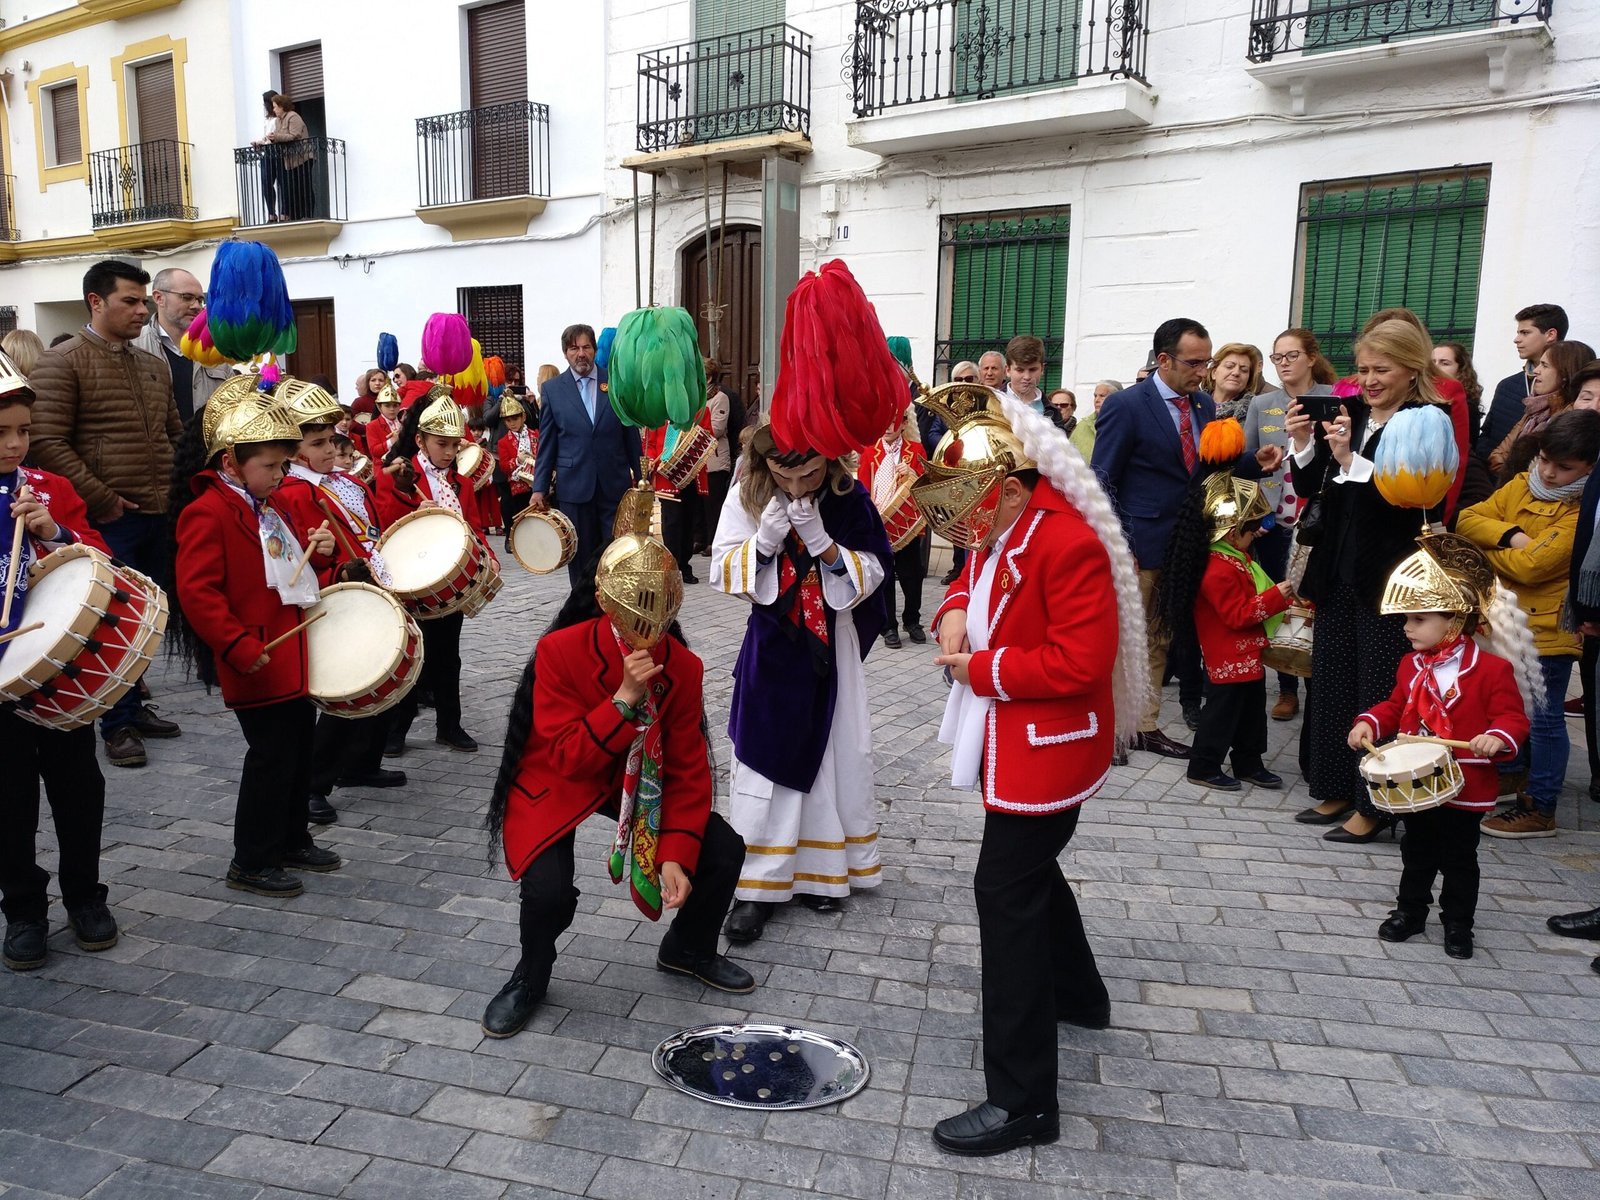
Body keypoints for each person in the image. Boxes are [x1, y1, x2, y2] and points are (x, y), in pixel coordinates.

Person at [915, 387, 1148, 1157]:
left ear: (1012, 487)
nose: (966, 523)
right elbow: (971, 573)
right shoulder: (1010, 518)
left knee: (1004, 891)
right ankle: (1081, 996)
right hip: (1017, 743)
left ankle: (1023, 1102)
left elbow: (1082, 663)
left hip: (1046, 748)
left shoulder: (1067, 542)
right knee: (1031, 873)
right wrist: (951, 610)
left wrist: (980, 667)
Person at [480, 513, 754, 1039]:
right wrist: (623, 702)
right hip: (563, 773)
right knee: (549, 892)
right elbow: (564, 759)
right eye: (634, 617)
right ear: (605, 603)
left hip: (638, 778)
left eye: (660, 616)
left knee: (720, 850)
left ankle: (689, 948)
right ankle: (530, 976)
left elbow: (689, 767)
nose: (648, 634)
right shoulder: (560, 650)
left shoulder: (685, 665)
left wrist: (675, 851)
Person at [711, 425, 893, 944]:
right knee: (764, 757)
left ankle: (820, 868)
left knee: (832, 755)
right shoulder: (746, 491)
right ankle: (756, 886)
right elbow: (723, 570)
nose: (796, 488)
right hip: (772, 644)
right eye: (784, 475)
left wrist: (825, 546)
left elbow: (876, 571)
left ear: (829, 462)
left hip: (831, 646)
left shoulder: (848, 497)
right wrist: (764, 541)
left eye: (809, 473)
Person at [1286, 319, 1453, 842]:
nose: (1370, 379)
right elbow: (1320, 488)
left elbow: (1413, 498)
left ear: (1412, 368)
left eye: (1382, 369)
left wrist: (1350, 462)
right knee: (1333, 683)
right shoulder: (1352, 412)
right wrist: (1303, 446)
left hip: (1390, 573)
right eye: (1363, 369)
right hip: (1338, 567)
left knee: (1379, 688)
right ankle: (1335, 785)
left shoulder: (1429, 419)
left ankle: (1375, 805)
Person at [169, 394, 340, 897]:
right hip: (256, 658)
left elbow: (293, 574)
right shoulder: (206, 512)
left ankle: (291, 838)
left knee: (298, 748)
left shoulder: (271, 504)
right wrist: (237, 646)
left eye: (283, 464)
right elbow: (197, 593)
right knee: (270, 755)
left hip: (291, 651)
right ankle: (251, 858)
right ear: (230, 463)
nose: (279, 474)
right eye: (268, 465)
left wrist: (324, 557)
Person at [28, 259, 184, 768]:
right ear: (96, 302)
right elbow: (47, 442)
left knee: (142, 617)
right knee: (107, 619)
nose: (143, 310)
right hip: (106, 520)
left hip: (158, 512)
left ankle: (132, 706)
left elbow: (173, 434)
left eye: (145, 301)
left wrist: (177, 489)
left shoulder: (153, 365)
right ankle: (115, 726)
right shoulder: (63, 361)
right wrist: (102, 498)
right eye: (130, 301)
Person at [1349, 536, 1535, 959]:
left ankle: (1458, 924)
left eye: (1418, 618)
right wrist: (1368, 721)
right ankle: (1409, 912)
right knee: (1415, 853)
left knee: (1459, 860)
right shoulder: (1410, 664)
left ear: (1453, 621)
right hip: (1417, 787)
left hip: (1466, 786)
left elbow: (1513, 719)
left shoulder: (1491, 669)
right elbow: (1396, 707)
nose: (1406, 627)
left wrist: (1497, 737)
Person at [0, 353, 120, 971]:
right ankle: (22, 907)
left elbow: (100, 560)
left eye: (23, 430)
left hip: (58, 674)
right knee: (8, 802)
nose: (16, 443)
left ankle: (85, 895)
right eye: (2, 433)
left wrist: (55, 533)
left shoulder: (53, 488)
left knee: (78, 789)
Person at [1458, 410, 1599, 837]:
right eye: (1544, 460)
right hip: (1501, 622)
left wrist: (1484, 551)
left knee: (1544, 717)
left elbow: (1533, 568)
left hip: (1548, 632)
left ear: (1591, 467)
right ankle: (1514, 773)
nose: (1550, 473)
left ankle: (1541, 806)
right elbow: (1466, 519)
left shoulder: (1583, 510)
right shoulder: (1522, 483)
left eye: (1565, 467)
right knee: (1507, 707)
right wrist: (1512, 534)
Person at [275, 378, 405, 826]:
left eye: (332, 440)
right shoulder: (293, 492)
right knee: (348, 687)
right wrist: (338, 572)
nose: (331, 449)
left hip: (369, 579)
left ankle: (362, 762)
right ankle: (315, 781)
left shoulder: (339, 481)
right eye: (318, 443)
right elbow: (300, 552)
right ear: (293, 451)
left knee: (377, 671)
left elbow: (371, 523)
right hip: (337, 591)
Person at [1092, 319, 1221, 759]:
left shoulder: (1203, 405)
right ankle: (1108, 731)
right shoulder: (1126, 406)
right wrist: (1115, 543)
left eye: (1207, 362)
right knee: (1124, 641)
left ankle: (1144, 725)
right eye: (1194, 362)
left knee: (1160, 636)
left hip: (1184, 543)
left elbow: (1207, 468)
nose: (1203, 371)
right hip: (1137, 543)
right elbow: (1103, 477)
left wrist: (1254, 463)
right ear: (1163, 360)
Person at [1154, 455, 1294, 792]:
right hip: (1227, 654)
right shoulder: (1218, 568)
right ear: (1233, 533)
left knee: (1251, 712)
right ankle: (1203, 765)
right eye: (1250, 529)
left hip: (1246, 652)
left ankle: (1249, 761)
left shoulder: (1232, 557)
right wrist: (1278, 595)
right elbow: (1237, 615)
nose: (1255, 535)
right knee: (1221, 713)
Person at [377, 394, 491, 754]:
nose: (448, 452)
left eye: (455, 445)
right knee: (414, 655)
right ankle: (396, 730)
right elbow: (384, 520)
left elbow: (474, 526)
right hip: (411, 580)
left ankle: (449, 725)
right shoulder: (400, 473)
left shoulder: (463, 482)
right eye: (441, 444)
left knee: (448, 656)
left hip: (448, 582)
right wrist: (413, 504)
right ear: (421, 439)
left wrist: (485, 554)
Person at [1244, 329, 1338, 720]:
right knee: (1277, 603)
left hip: (1317, 519)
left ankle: (1317, 684)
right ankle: (1286, 689)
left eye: (1291, 355)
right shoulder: (1263, 402)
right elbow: (1247, 462)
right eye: (1277, 356)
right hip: (1272, 522)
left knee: (1312, 603)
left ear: (1311, 357)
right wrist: (1253, 517)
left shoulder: (1335, 397)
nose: (1283, 363)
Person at [530, 324, 642, 588]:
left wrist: (641, 478)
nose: (581, 353)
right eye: (574, 348)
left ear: (594, 350)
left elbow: (631, 435)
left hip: (614, 487)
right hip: (574, 489)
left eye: (586, 347)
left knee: (617, 554)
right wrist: (539, 488)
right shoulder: (553, 390)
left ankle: (613, 611)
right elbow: (547, 444)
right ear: (566, 353)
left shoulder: (615, 383)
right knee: (580, 560)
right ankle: (582, 616)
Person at [858, 405, 928, 650]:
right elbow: (864, 490)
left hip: (907, 526)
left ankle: (913, 621)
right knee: (885, 577)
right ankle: (888, 626)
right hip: (881, 524)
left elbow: (926, 486)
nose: (888, 427)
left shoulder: (916, 450)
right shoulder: (869, 452)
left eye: (894, 421)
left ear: (904, 424)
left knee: (912, 576)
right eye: (883, 422)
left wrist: (912, 473)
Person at [1487, 341, 1596, 484]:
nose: (1536, 370)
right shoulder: (1534, 410)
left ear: (1564, 373)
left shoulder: (1569, 417)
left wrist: (1518, 476)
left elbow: (1549, 472)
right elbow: (1496, 456)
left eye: (1544, 365)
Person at [133, 267, 229, 422]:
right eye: (187, 297)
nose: (197, 306)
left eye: (200, 300)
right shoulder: (133, 346)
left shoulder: (216, 350)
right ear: (159, 298)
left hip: (204, 445)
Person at [1478, 304, 1568, 459]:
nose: (1516, 339)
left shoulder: (1577, 390)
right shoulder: (1507, 386)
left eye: (1525, 333)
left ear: (1550, 335)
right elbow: (1487, 436)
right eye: (1518, 332)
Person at [252, 93, 312, 222]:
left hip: (302, 157)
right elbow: (275, 135)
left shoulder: (293, 117)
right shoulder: (279, 120)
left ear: (281, 106)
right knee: (294, 187)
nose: (273, 109)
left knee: (304, 187)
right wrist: (263, 142)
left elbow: (294, 135)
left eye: (275, 107)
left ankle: (307, 215)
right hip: (291, 159)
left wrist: (276, 138)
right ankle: (297, 215)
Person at [495, 394, 537, 543]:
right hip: (518, 487)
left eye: (515, 418)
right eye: (508, 420)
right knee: (520, 515)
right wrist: (518, 460)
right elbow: (505, 467)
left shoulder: (536, 435)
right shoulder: (503, 442)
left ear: (523, 417)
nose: (512, 423)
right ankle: (516, 540)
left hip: (537, 484)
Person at [702, 358, 734, 549]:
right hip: (698, 460)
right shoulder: (697, 397)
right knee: (700, 506)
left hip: (714, 460)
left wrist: (694, 429)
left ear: (709, 377)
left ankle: (714, 541)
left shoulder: (720, 398)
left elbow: (717, 428)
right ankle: (701, 538)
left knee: (714, 505)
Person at [1432, 342, 1484, 438]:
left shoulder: (1466, 404)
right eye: (1432, 362)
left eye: (1444, 363)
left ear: (1460, 368)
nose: (1435, 367)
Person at [1204, 343, 1264, 423]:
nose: (1236, 373)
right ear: (1214, 373)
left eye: (1244, 370)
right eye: (1229, 366)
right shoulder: (1193, 402)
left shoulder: (1256, 410)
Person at [1072, 379, 1117, 462]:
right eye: (1095, 396)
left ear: (1117, 398)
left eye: (1102, 396)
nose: (1096, 400)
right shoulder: (1083, 425)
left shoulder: (1126, 425)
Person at [998, 336, 1045, 414]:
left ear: (1042, 369)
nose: (1027, 377)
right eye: (1020, 370)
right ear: (1008, 370)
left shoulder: (1053, 411)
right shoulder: (991, 404)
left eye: (1032, 370)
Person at [363, 382, 404, 461]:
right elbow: (374, 451)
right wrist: (392, 441)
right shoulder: (372, 426)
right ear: (379, 407)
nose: (392, 409)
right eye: (387, 405)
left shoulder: (403, 423)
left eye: (395, 405)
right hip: (384, 468)